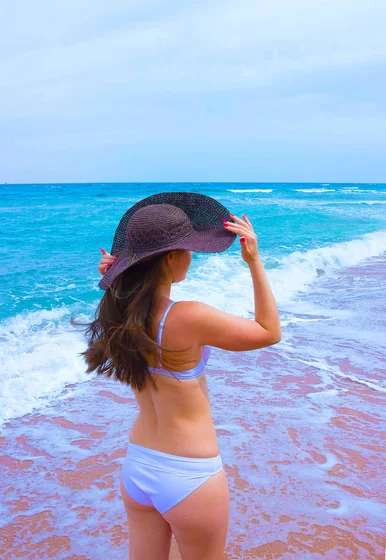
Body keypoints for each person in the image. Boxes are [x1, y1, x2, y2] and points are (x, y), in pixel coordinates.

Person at [80, 192, 281, 560]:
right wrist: (254, 262)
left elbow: (115, 293)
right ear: (170, 259)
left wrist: (114, 276)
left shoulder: (119, 315)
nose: (192, 257)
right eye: (188, 249)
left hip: (138, 466)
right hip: (189, 476)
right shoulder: (187, 316)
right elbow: (269, 331)